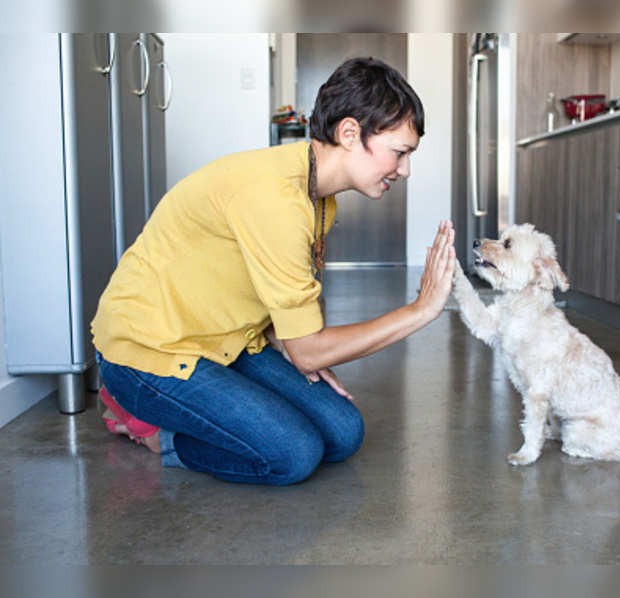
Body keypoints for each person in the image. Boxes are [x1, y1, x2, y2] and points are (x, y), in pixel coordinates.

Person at [91, 56, 456, 485]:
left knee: (343, 433)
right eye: (399, 152)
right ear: (350, 133)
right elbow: (307, 350)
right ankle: (154, 431)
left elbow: (282, 306)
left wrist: (303, 346)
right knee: (293, 454)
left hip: (227, 341)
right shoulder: (276, 200)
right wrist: (419, 311)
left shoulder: (319, 196)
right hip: (151, 351)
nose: (405, 169)